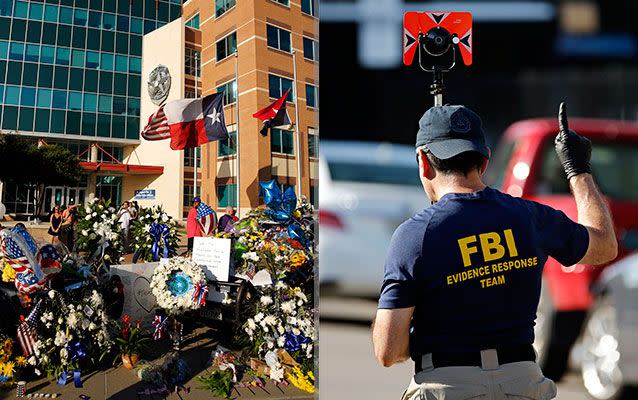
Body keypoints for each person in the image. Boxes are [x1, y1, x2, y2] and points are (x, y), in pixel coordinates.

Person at [371, 104, 617, 400]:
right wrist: (578, 170)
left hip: (447, 386)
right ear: (484, 160)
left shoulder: (414, 236)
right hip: (524, 384)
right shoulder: (529, 216)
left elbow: (388, 351)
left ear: (423, 162)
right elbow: (604, 246)